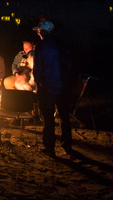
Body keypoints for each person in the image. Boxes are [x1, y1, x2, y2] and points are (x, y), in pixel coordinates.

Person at [32, 20, 74, 157]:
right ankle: (67, 146)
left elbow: (37, 67)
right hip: (63, 85)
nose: (38, 32)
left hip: (47, 86)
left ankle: (50, 148)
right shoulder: (62, 44)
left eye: (39, 30)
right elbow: (69, 64)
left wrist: (38, 82)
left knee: (48, 118)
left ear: (43, 31)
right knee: (64, 117)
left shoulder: (41, 45)